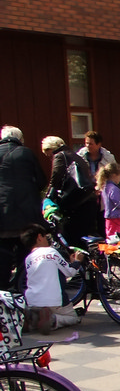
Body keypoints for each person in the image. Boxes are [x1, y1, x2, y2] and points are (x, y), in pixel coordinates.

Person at [0, 125, 48, 291]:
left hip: (2, 213)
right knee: (24, 250)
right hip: (25, 213)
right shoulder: (26, 153)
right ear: (20, 139)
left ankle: (3, 289)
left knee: (3, 251)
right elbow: (41, 180)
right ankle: (22, 287)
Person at [20, 222, 83, 334]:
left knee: (39, 313)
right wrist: (77, 261)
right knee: (73, 318)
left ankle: (32, 318)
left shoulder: (28, 258)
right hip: (54, 301)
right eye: (45, 236)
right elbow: (70, 272)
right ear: (39, 237)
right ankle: (52, 319)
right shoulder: (51, 252)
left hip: (32, 300)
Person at [41, 135, 99, 244]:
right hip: (88, 200)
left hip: (75, 204)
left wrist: (48, 198)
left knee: (71, 238)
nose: (49, 158)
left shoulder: (60, 156)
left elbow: (56, 179)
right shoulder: (76, 156)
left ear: (51, 149)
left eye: (48, 154)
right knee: (85, 238)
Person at [97, 161, 120, 239]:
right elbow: (118, 203)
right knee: (116, 238)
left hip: (109, 216)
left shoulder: (106, 186)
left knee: (110, 236)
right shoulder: (114, 188)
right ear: (114, 175)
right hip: (116, 217)